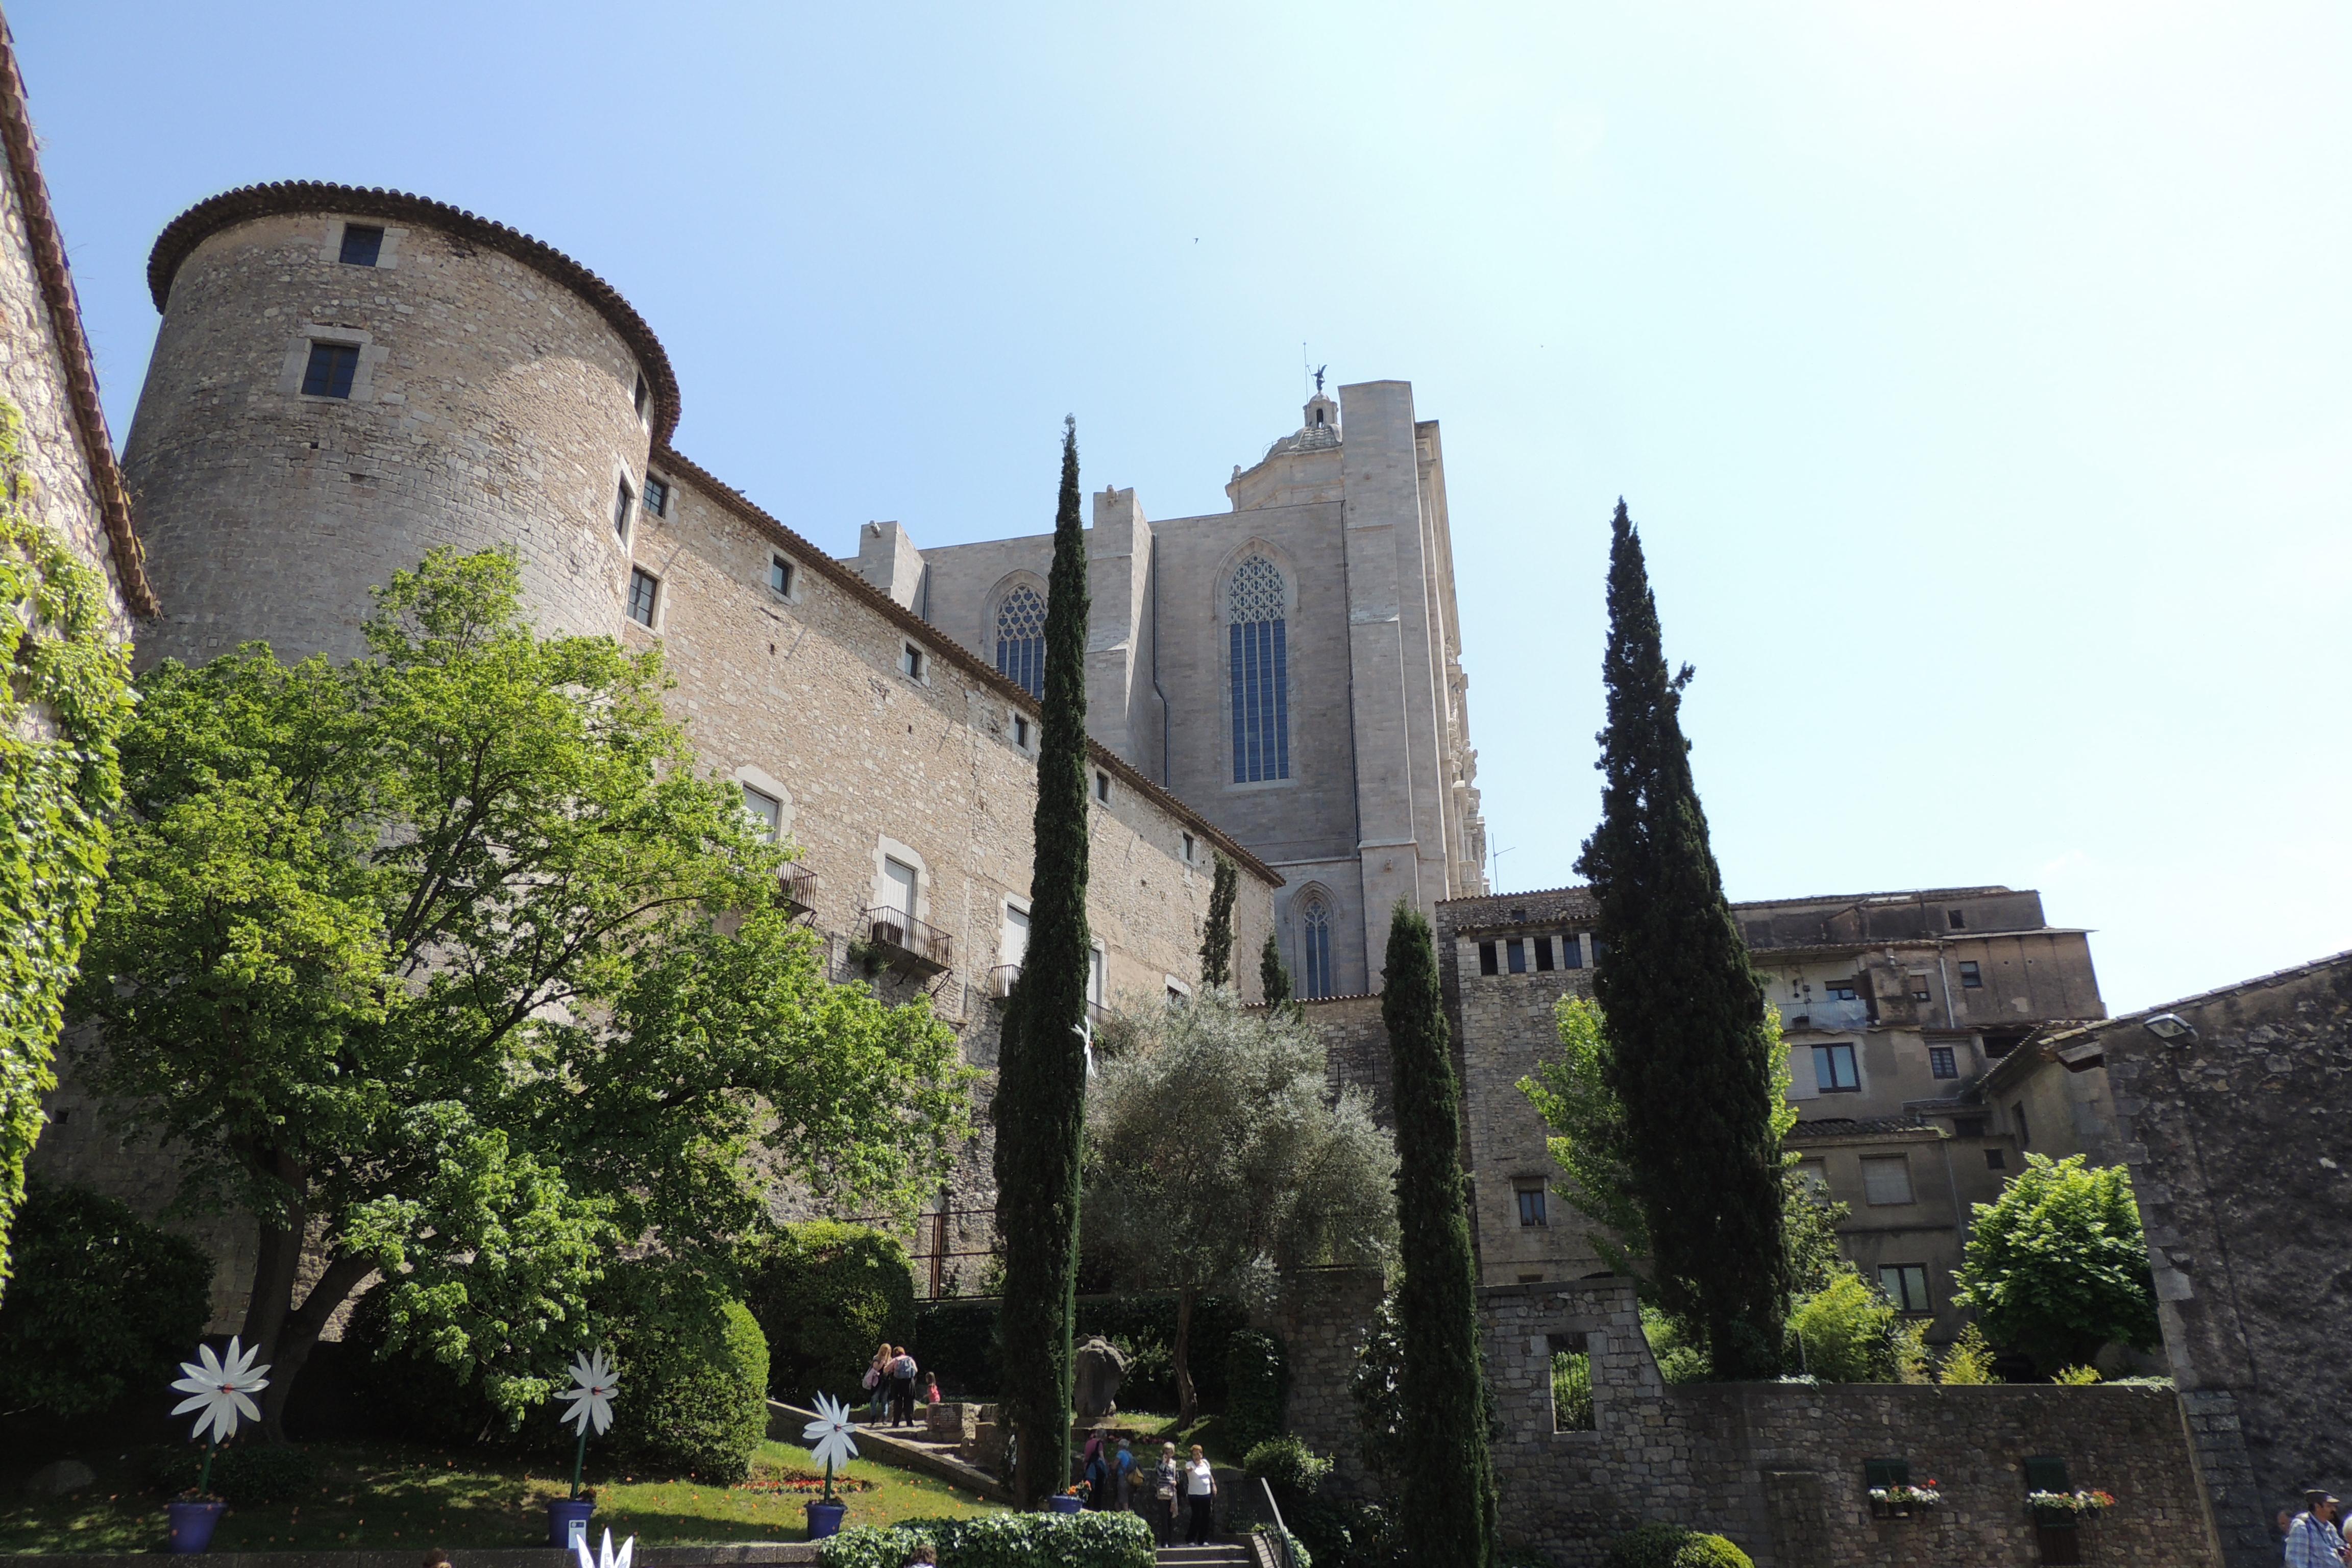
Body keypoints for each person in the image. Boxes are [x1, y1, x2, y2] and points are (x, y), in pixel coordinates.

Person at [2286, 1492, 2347, 1568]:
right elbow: (2296, 1562)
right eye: (2329, 1506)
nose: (2334, 1510)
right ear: (2317, 1507)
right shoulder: (2302, 1526)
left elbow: (2339, 1549)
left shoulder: (2330, 1527)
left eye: (2335, 1507)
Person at [1183, 1442, 1217, 1545]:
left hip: (1206, 1493)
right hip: (1194, 1494)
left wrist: (1214, 1485)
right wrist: (1189, 1470)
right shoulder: (1189, 1464)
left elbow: (1210, 1476)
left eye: (1198, 1454)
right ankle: (1190, 1539)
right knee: (1196, 1516)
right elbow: (1187, 1470)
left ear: (1201, 1454)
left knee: (1206, 1517)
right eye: (1194, 1455)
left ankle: (1203, 1539)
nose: (1197, 1457)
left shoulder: (1206, 1463)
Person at [1151, 1442, 1182, 1546]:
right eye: (1166, 1452)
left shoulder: (1174, 1463)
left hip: (1172, 1492)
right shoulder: (1159, 1462)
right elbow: (1159, 1474)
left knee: (1171, 1516)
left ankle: (1170, 1540)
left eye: (1170, 1452)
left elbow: (1177, 1477)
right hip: (1162, 1492)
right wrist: (1164, 1463)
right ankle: (1164, 1541)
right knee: (1164, 1517)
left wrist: (1176, 1482)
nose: (1168, 1454)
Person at [888, 1345, 919, 1427]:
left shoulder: (895, 1360)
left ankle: (896, 1423)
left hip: (898, 1383)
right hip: (909, 1382)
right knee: (909, 1402)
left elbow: (886, 1370)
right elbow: (915, 1370)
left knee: (898, 1402)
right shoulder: (910, 1359)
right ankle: (910, 1422)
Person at [864, 1342, 891, 1424]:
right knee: (874, 1399)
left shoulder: (890, 1359)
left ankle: (884, 1418)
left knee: (885, 1400)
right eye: (884, 1351)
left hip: (886, 1382)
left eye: (887, 1351)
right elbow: (876, 1368)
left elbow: (890, 1371)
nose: (885, 1353)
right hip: (877, 1382)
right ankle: (873, 1418)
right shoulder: (876, 1358)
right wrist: (882, 1363)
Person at [1114, 1435, 1136, 1513]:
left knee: (1124, 1501)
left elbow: (1114, 1466)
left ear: (1121, 1446)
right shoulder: (1130, 1455)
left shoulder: (1120, 1453)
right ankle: (1121, 1516)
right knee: (1119, 1501)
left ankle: (1127, 1518)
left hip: (1122, 1478)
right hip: (1130, 1479)